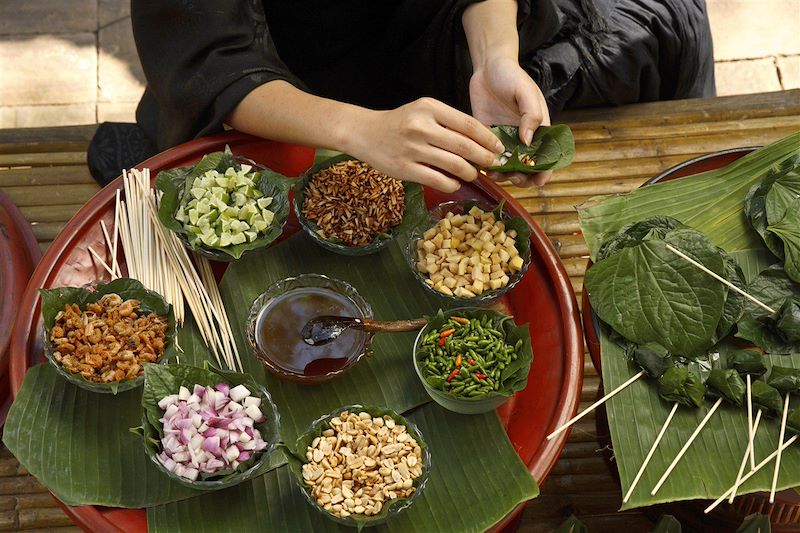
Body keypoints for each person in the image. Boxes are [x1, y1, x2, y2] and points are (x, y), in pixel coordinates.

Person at [88, 0, 715, 190]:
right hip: (289, 89)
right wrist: (365, 132)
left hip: (418, 44)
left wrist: (494, 58)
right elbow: (210, 62)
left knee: (668, 24)